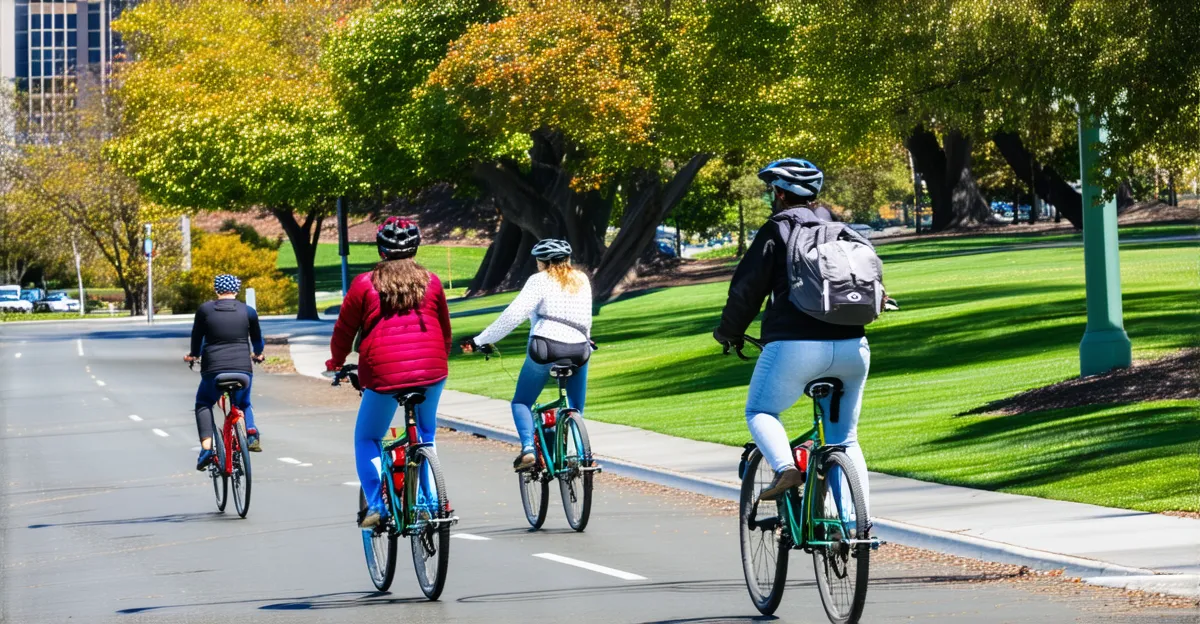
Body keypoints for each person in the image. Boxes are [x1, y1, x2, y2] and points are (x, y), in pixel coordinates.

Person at [713, 158, 873, 508]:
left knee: (760, 411)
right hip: (853, 347)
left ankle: (785, 468)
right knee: (845, 440)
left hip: (795, 345)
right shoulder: (840, 229)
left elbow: (746, 291)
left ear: (781, 194)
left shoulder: (777, 229)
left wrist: (729, 333)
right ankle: (852, 528)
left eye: (774, 190)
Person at [326, 217, 451, 529]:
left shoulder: (365, 284)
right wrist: (436, 360)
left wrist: (336, 362)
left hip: (384, 374)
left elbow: (344, 330)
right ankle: (433, 503)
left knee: (367, 437)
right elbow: (445, 330)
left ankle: (378, 503)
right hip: (432, 369)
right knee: (426, 433)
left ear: (381, 250)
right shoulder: (432, 282)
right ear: (416, 248)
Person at [461, 239, 593, 471]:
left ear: (542, 262)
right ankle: (580, 453)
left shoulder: (539, 281)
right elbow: (585, 318)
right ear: (567, 260)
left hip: (546, 347)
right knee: (574, 406)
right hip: (580, 349)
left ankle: (529, 450)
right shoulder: (581, 279)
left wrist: (480, 340)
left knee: (522, 401)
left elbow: (513, 316)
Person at [185, 274, 265, 471]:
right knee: (243, 402)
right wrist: (258, 354)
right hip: (242, 370)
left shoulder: (205, 310)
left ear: (216, 290)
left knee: (203, 403)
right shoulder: (248, 312)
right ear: (236, 290)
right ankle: (251, 431)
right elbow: (257, 340)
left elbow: (196, 339)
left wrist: (193, 355)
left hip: (213, 371)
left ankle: (206, 449)